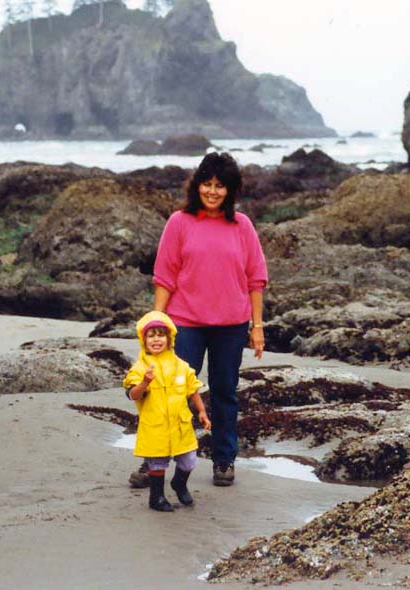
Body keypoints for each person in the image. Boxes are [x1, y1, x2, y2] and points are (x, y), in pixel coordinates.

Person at [130, 152, 268, 488]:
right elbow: (165, 276)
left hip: (231, 325)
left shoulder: (242, 226)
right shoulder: (179, 222)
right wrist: (156, 322)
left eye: (220, 186)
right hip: (185, 323)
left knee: (224, 393)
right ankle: (155, 462)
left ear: (230, 190)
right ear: (197, 186)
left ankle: (224, 460)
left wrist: (257, 326)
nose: (212, 191)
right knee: (169, 393)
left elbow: (256, 279)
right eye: (207, 184)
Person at [124, 310, 212, 512]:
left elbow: (192, 389)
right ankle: (156, 498)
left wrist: (202, 411)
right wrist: (145, 382)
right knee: (157, 462)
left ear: (170, 338)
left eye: (161, 335)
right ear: (143, 340)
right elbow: (133, 395)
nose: (156, 340)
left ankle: (179, 483)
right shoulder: (139, 368)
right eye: (151, 335)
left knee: (189, 460)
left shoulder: (181, 365)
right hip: (155, 425)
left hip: (181, 424)